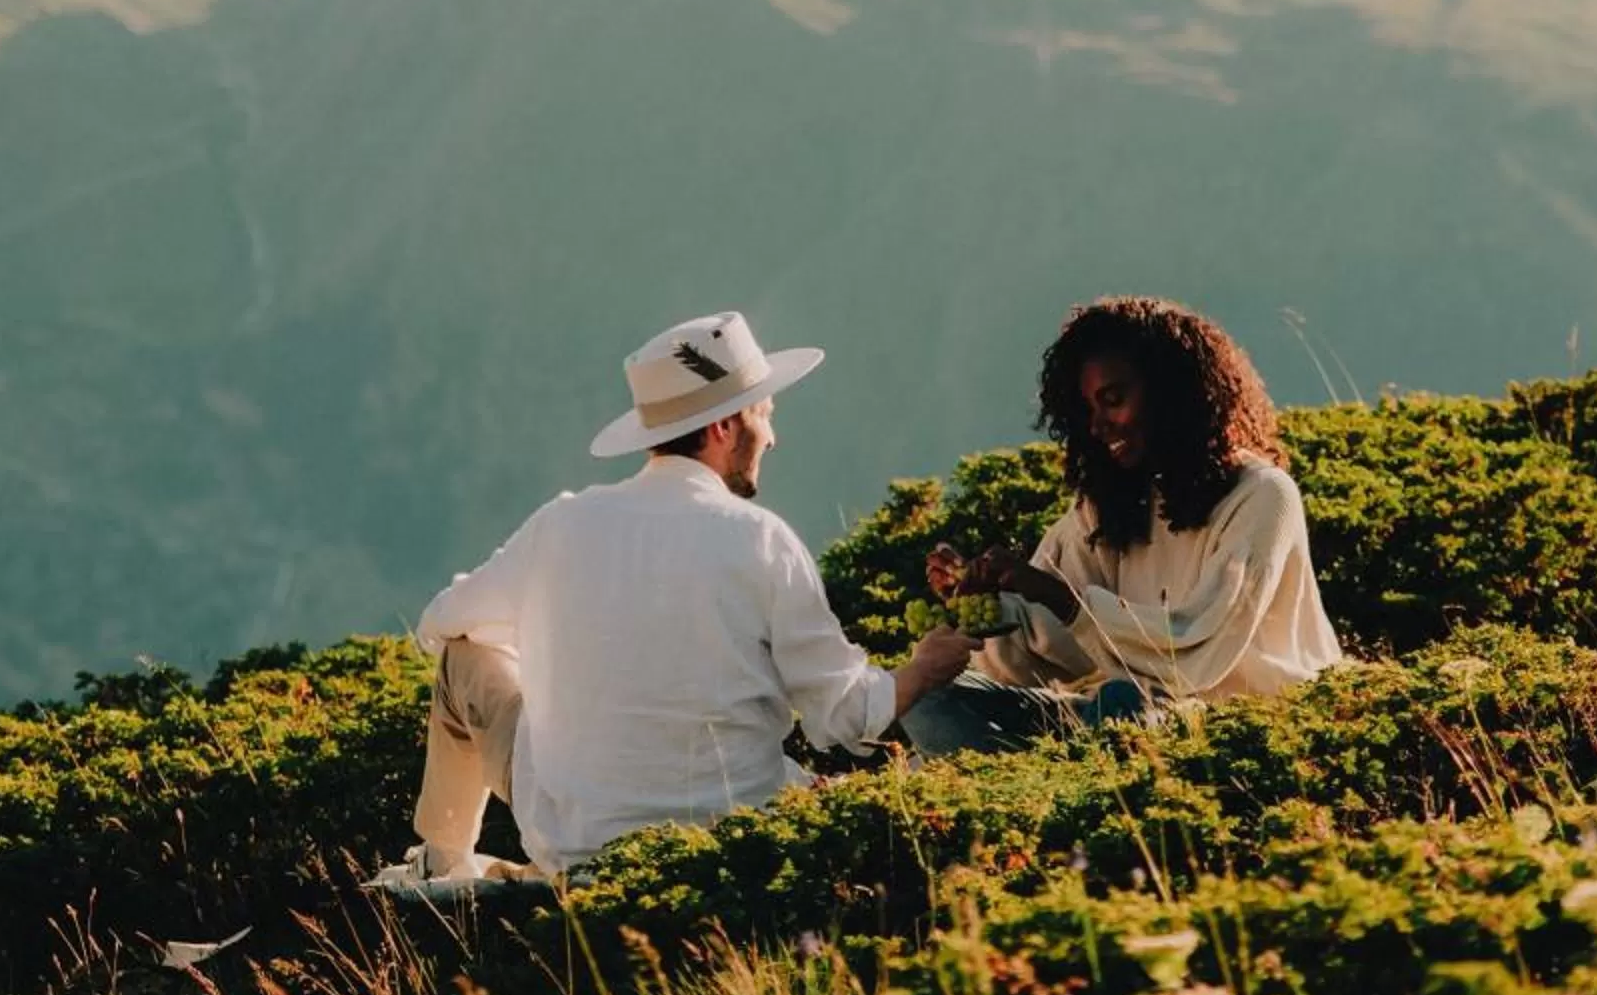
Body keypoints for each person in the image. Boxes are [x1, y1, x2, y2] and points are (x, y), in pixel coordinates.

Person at [381, 310, 974, 884]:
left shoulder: (560, 526)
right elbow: (846, 716)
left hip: (575, 842)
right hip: (735, 832)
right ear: (724, 427)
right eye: (764, 415)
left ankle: (442, 863)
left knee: (464, 658)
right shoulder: (761, 540)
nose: (772, 436)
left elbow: (442, 621)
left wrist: (551, 651)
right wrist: (924, 668)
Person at [902, 295, 1343, 759]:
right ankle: (1059, 774)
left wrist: (1056, 595)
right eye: (1087, 411)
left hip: (1234, 720)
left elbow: (1196, 655)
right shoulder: (1113, 505)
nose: (1098, 427)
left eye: (1113, 401)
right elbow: (1054, 648)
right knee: (926, 694)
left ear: (1171, 392)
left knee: (1122, 703)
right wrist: (988, 604)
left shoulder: (1262, 496)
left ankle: (1053, 771)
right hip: (1107, 717)